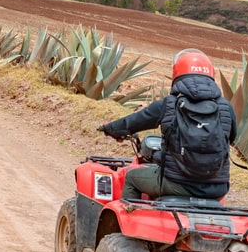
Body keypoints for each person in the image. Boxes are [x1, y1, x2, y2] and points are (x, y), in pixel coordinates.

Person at [99, 48, 237, 201]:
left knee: (131, 178)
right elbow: (230, 139)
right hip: (217, 187)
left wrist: (110, 128)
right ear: (211, 75)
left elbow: (133, 122)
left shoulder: (169, 104)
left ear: (177, 75)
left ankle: (131, 219)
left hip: (176, 183)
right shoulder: (226, 107)